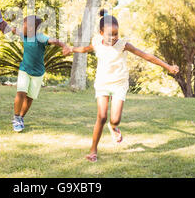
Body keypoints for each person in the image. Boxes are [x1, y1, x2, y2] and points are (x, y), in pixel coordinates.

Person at [69, 9, 179, 162]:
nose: (114, 37)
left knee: (115, 119)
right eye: (110, 34)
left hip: (119, 84)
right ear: (101, 33)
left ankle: (113, 127)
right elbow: (85, 49)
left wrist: (167, 66)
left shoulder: (123, 45)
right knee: (101, 117)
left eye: (116, 34)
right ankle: (93, 150)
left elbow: (146, 56)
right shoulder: (96, 43)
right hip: (102, 83)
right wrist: (71, 49)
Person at [8, 15, 71, 132]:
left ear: (32, 28)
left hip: (38, 73)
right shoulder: (24, 34)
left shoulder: (40, 37)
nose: (22, 28)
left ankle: (21, 117)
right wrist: (6, 26)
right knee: (21, 92)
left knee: (29, 98)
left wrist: (64, 46)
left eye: (24, 26)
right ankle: (16, 118)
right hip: (24, 70)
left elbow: (54, 41)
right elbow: (14, 30)